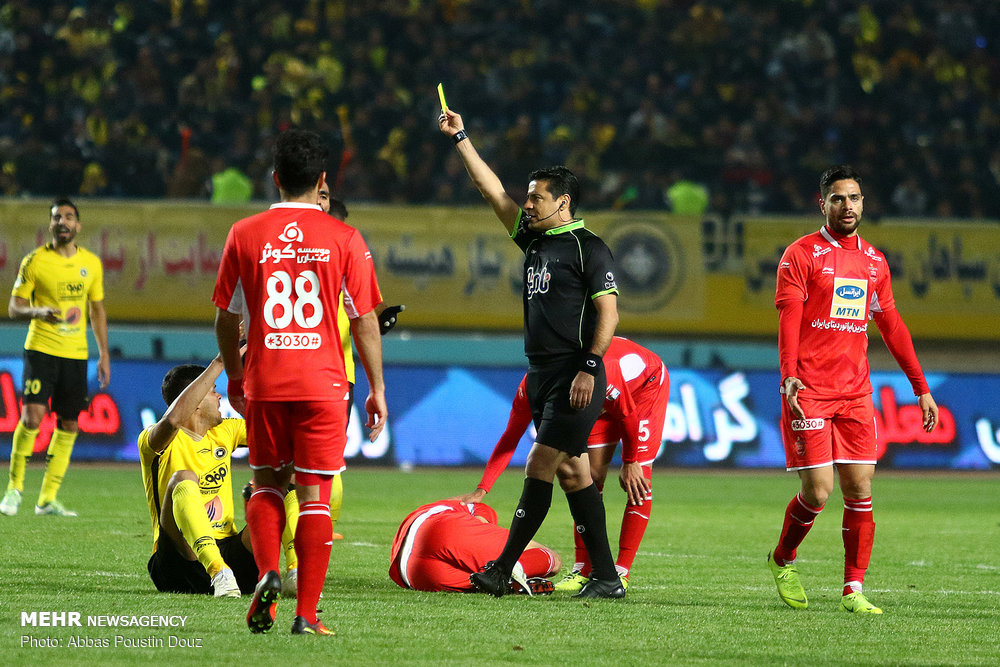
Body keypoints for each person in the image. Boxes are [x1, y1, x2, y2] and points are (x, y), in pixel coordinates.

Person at [439, 108, 623, 599]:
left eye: (537, 196)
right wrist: (461, 136)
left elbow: (610, 315)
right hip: (541, 374)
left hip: (573, 374)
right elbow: (491, 192)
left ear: (562, 202)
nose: (527, 203)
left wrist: (589, 366)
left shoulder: (589, 248)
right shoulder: (535, 242)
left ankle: (500, 569)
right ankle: (606, 577)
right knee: (572, 471)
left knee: (540, 464)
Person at [214, 128, 387, 635]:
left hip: (267, 383)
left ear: (275, 179)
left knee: (265, 483)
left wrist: (237, 374)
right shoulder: (344, 237)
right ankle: (306, 615)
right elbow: (364, 320)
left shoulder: (243, 233)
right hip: (325, 385)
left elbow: (226, 317)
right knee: (314, 495)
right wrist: (377, 388)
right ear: (322, 181)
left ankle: (268, 569)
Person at [767, 165, 939, 614]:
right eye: (839, 198)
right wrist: (789, 374)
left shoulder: (875, 262)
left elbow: (893, 327)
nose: (848, 206)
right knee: (819, 492)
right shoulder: (801, 254)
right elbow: (788, 318)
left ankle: (853, 589)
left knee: (860, 489)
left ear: (864, 203)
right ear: (821, 203)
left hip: (855, 393)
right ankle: (783, 558)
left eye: (856, 198)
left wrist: (921, 388)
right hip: (808, 390)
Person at [458, 336, 669, 592]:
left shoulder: (604, 374)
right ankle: (585, 569)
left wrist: (631, 460)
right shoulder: (530, 389)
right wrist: (483, 488)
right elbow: (510, 438)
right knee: (587, 476)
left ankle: (621, 571)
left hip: (645, 386)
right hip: (593, 398)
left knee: (638, 480)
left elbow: (628, 415)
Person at [139, 358, 300, 598]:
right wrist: (221, 361)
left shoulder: (226, 430)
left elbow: (288, 437)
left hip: (232, 555)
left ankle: (296, 573)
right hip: (179, 563)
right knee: (183, 478)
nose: (219, 397)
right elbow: (173, 420)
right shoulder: (154, 439)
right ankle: (218, 572)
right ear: (194, 400)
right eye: (213, 391)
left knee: (285, 485)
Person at [2, 198, 109, 518]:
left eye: (68, 217)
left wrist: (103, 354)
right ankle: (14, 488)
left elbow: (97, 310)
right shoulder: (34, 261)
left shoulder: (91, 263)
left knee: (70, 423)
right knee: (32, 418)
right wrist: (37, 311)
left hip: (76, 354)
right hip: (41, 349)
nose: (62, 222)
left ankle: (47, 499)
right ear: (50, 225)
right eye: (56, 217)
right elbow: (14, 307)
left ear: (78, 225)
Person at [389, 498, 560, 594]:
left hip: (412, 573)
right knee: (552, 559)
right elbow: (478, 509)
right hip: (438, 529)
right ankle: (515, 570)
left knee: (484, 581)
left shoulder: (447, 506)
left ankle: (511, 583)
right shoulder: (472, 509)